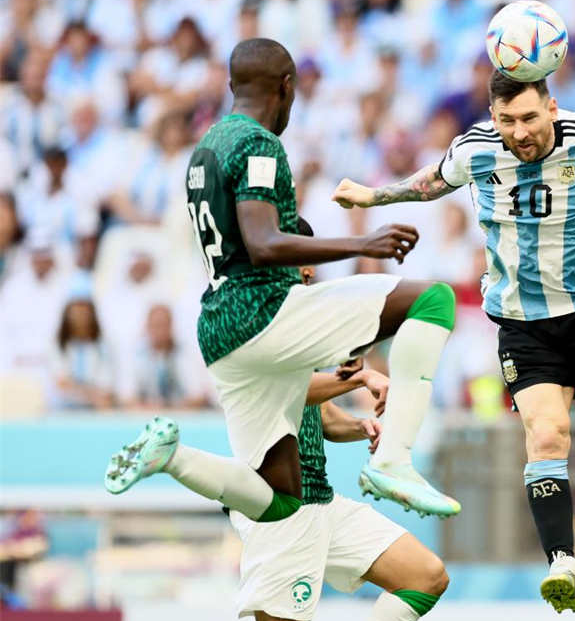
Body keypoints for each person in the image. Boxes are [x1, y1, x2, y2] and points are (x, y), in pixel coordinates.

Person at [333, 70, 575, 612]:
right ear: (493, 118)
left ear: (552, 108)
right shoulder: (476, 150)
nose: (519, 132)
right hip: (524, 322)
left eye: (528, 118)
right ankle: (561, 565)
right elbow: (431, 182)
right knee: (546, 435)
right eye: (506, 121)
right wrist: (372, 196)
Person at [104, 38, 460, 523]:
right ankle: (393, 460)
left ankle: (174, 458)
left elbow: (245, 233)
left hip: (220, 331)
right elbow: (263, 243)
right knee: (434, 300)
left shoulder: (204, 148)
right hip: (263, 312)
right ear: (287, 88)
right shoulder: (257, 142)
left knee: (281, 498)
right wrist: (363, 243)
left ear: (232, 85)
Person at [228, 221, 448, 621]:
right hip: (279, 509)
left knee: (425, 577)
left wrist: (361, 426)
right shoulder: (248, 322)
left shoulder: (298, 326)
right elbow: (288, 392)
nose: (309, 269)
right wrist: (360, 377)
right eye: (298, 257)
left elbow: (321, 415)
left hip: (321, 500)